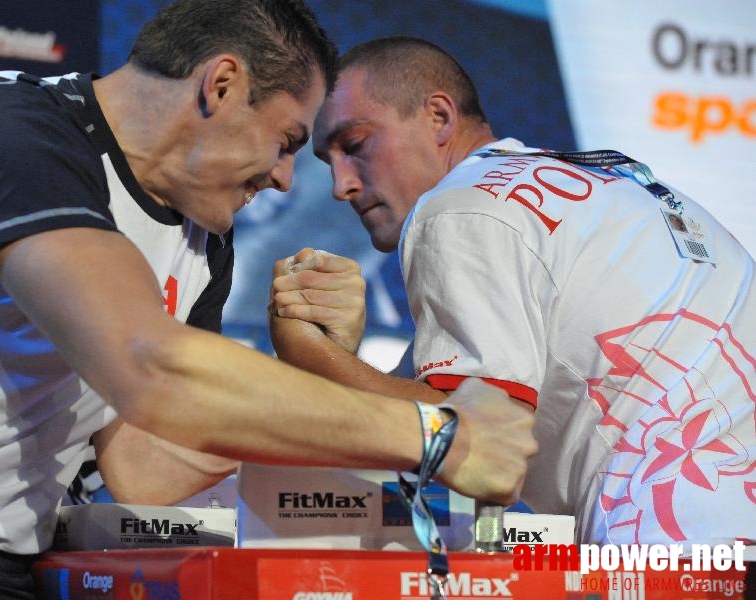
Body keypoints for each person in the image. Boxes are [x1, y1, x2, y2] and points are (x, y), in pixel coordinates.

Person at [0, 4, 538, 598]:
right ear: (221, 84)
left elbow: (143, 467)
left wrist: (308, 362)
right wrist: (434, 435)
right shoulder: (4, 124)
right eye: (287, 142)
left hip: (14, 564)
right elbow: (150, 368)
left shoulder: (201, 238)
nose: (280, 178)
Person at [269, 36, 756, 549]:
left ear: (438, 116)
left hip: (687, 548)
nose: (340, 185)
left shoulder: (460, 207)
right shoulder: (607, 187)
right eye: (329, 161)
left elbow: (473, 447)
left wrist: (310, 353)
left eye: (356, 145)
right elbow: (436, 412)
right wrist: (348, 359)